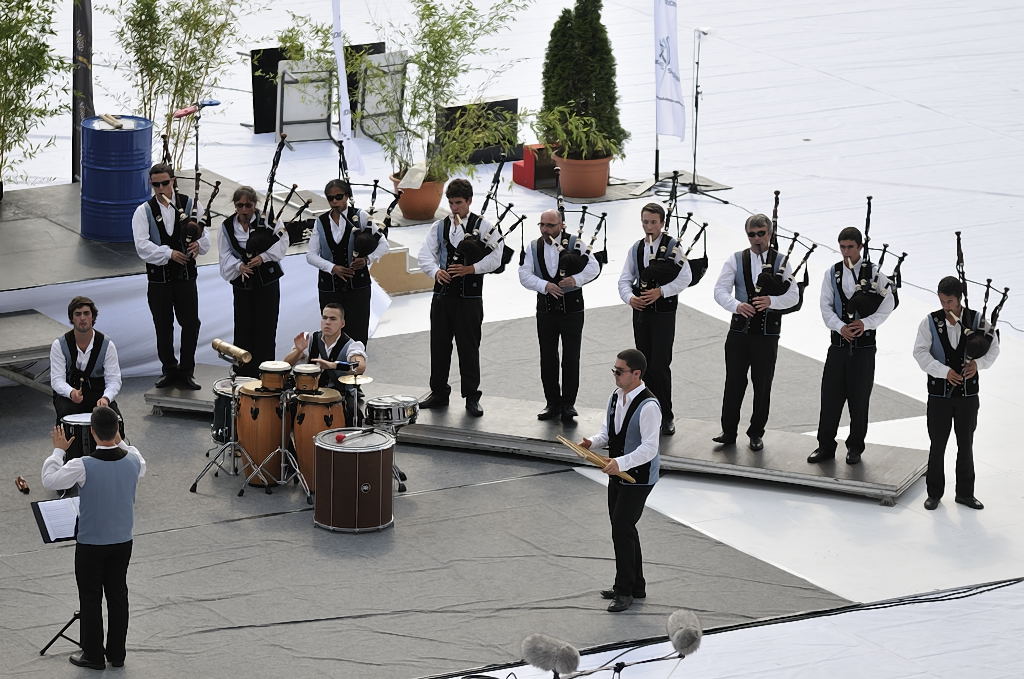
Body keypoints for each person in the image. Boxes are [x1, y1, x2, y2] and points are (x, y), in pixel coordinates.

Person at [41, 406, 146, 670]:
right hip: (123, 542)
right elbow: (131, 453)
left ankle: (93, 655)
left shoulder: (82, 465)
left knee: (90, 598)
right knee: (118, 595)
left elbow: (50, 480)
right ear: (118, 430)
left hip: (91, 544)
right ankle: (117, 654)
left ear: (91, 432)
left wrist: (58, 450)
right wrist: (119, 437)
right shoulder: (135, 460)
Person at [580, 348, 661, 613]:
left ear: (636, 374)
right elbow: (609, 431)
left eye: (620, 371)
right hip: (616, 471)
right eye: (614, 370)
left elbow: (650, 448)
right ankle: (636, 584)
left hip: (637, 476)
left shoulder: (649, 406)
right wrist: (592, 442)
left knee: (621, 529)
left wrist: (620, 463)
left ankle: (624, 590)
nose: (615, 375)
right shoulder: (616, 396)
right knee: (624, 527)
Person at [712, 214, 800, 451]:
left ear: (769, 234)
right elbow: (720, 290)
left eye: (761, 233)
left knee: (762, 385)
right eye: (752, 234)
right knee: (733, 382)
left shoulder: (782, 261)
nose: (757, 238)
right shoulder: (736, 259)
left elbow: (794, 296)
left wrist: (771, 301)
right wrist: (736, 305)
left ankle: (756, 432)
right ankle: (728, 430)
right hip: (739, 332)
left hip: (766, 334)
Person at [808, 227, 895, 465]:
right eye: (842, 247)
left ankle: (855, 447)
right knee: (830, 397)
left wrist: (865, 324)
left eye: (850, 247)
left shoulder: (875, 274)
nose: (846, 252)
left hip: (864, 348)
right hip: (837, 345)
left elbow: (889, 303)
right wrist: (840, 327)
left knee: (859, 399)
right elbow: (825, 306)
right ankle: (825, 445)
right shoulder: (832, 272)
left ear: (860, 247)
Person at [416, 179, 503, 417]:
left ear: (469, 201)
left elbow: (497, 258)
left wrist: (470, 269)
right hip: (442, 297)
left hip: (469, 298)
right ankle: (439, 392)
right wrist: (436, 271)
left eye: (459, 203)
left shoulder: (484, 226)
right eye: (451, 203)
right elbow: (425, 255)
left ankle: (472, 397)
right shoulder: (439, 227)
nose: (455, 208)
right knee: (439, 345)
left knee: (468, 347)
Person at [913, 276, 999, 511]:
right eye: (942, 301)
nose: (946, 307)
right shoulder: (930, 322)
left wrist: (977, 366)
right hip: (939, 396)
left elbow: (994, 348)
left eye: (949, 301)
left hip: (968, 396)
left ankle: (965, 493)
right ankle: (934, 493)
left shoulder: (977, 320)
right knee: (937, 444)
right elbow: (920, 353)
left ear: (959, 299)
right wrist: (943, 372)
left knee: (966, 444)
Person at [131, 162, 210, 390]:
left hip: (185, 277)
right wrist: (169, 253)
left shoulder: (191, 204)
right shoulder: (143, 211)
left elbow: (205, 238)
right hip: (159, 280)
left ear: (173, 181)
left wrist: (197, 245)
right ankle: (169, 370)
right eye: (156, 185)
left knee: (191, 324)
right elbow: (141, 246)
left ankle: (186, 371)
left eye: (165, 183)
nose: (161, 189)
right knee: (163, 326)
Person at [518, 208, 600, 423]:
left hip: (572, 310)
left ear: (562, 225)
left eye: (550, 225)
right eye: (542, 225)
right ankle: (552, 403)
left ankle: (569, 404)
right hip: (546, 310)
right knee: (548, 356)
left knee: (571, 357)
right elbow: (524, 274)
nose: (545, 230)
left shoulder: (576, 244)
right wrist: (545, 285)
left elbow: (594, 267)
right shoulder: (533, 247)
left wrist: (576, 280)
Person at [618, 203, 692, 436]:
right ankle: (644, 413)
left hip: (664, 314)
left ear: (662, 223)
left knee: (660, 365)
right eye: (645, 222)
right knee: (643, 366)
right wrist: (631, 298)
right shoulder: (637, 248)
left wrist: (662, 292)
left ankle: (665, 414)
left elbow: (686, 277)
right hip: (641, 313)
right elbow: (624, 279)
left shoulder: (673, 247)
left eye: (653, 222)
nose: (648, 226)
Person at [305, 179, 390, 344]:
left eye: (339, 196)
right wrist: (332, 267)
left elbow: (383, 244)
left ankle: (356, 368)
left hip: (357, 286)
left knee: (357, 332)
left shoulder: (360, 216)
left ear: (347, 196)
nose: (335, 201)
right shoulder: (320, 222)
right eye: (330, 198)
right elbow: (311, 255)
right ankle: (332, 368)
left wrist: (367, 260)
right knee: (331, 333)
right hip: (330, 287)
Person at [218, 186, 289, 378]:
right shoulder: (226, 226)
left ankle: (266, 374)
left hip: (267, 281)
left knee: (266, 327)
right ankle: (244, 374)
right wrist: (239, 266)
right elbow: (224, 254)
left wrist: (263, 257)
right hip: (243, 282)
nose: (243, 210)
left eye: (247, 205)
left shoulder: (268, 220)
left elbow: (283, 243)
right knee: (243, 327)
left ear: (254, 205)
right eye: (239, 205)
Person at [50, 297, 123, 460]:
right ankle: (69, 460)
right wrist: (71, 393)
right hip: (70, 394)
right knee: (67, 419)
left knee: (114, 420)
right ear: (72, 318)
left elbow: (114, 379)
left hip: (99, 393)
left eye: (86, 313)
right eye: (77, 314)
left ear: (93, 317)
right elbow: (57, 380)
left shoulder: (107, 344)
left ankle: (115, 460)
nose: (82, 318)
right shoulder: (59, 345)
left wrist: (106, 398)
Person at [284, 303, 368, 391]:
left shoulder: (352, 345)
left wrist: (333, 365)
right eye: (324, 318)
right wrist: (298, 351)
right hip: (308, 394)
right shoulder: (309, 339)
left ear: (342, 324)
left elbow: (360, 366)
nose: (327, 322)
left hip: (337, 398)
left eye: (333, 319)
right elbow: (285, 365)